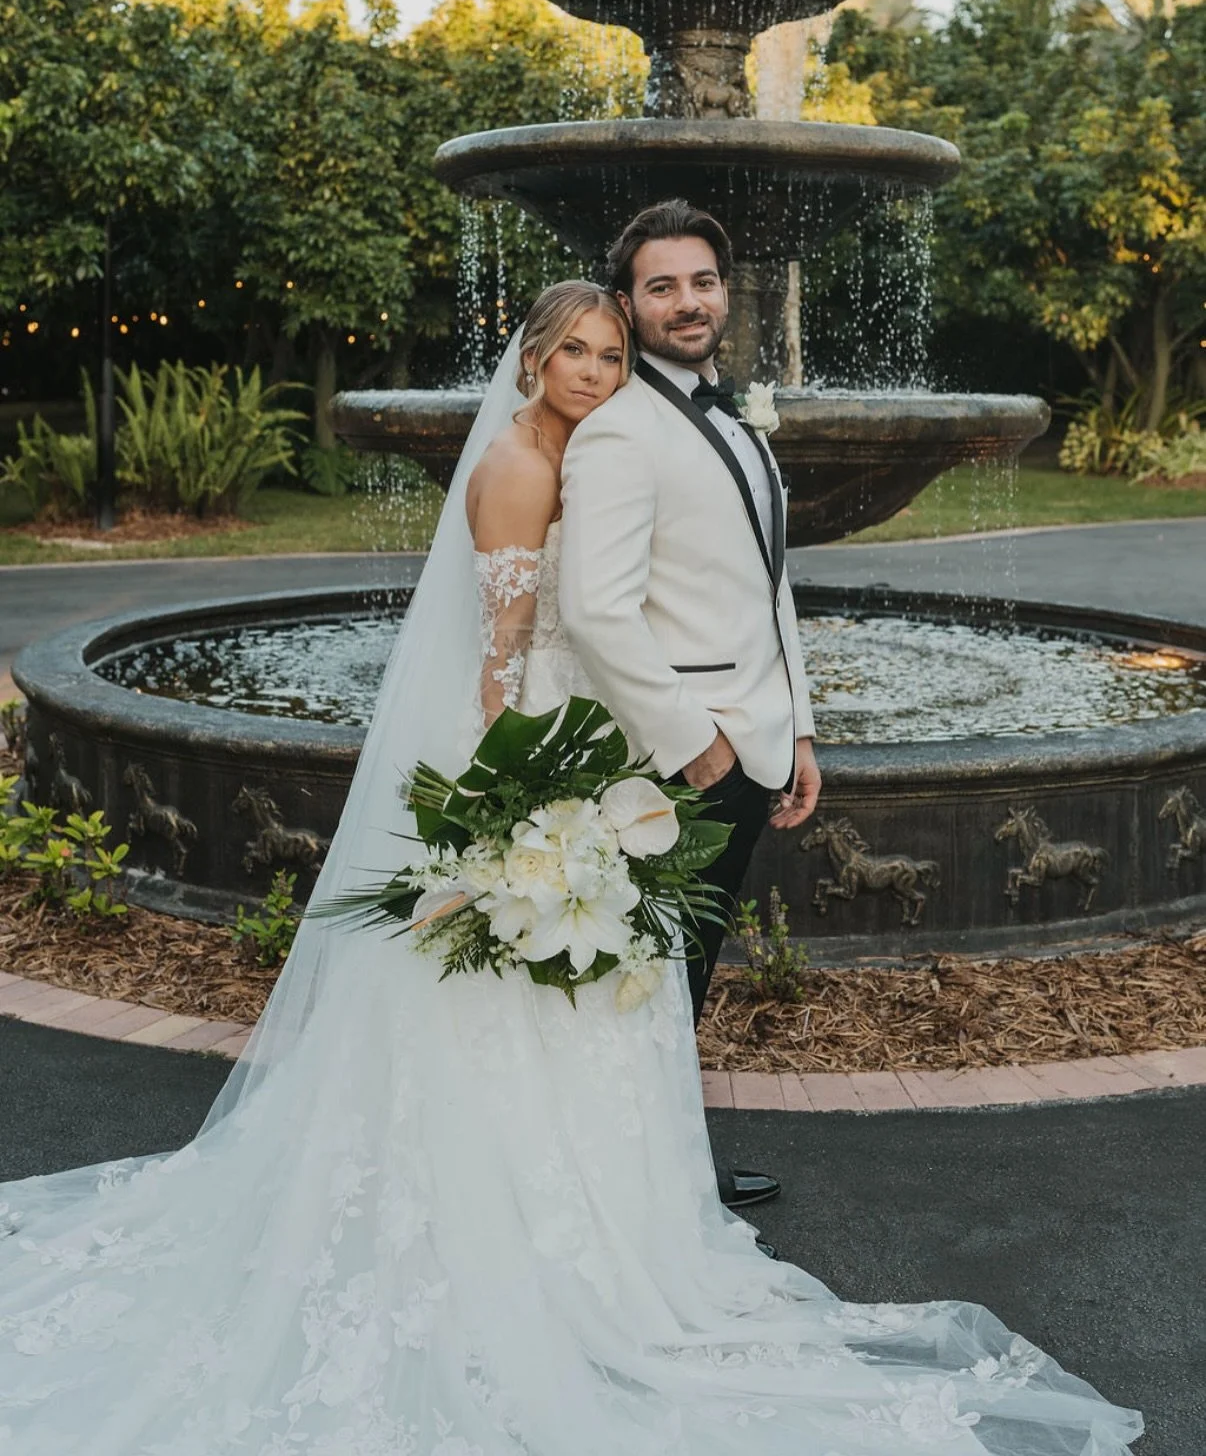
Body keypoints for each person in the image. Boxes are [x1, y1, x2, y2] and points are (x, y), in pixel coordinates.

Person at [0, 277, 1142, 1455]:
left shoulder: (586, 448)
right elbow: (501, 656)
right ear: (536, 358)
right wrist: (519, 805)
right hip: (524, 749)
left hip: (578, 745)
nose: (597, 373)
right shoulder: (520, 466)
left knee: (577, 995)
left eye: (609, 354)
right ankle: (492, 1230)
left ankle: (597, 1218)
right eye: (579, 352)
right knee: (506, 994)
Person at [560, 200, 821, 1217]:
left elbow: (770, 581)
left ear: (726, 290)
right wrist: (697, 745)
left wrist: (797, 725)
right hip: (678, 760)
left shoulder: (736, 414)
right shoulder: (620, 430)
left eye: (703, 281)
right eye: (662, 286)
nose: (688, 302)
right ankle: (641, 1184)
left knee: (680, 974)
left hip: (757, 736)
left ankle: (652, 1165)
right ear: (629, 304)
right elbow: (593, 608)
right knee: (650, 979)